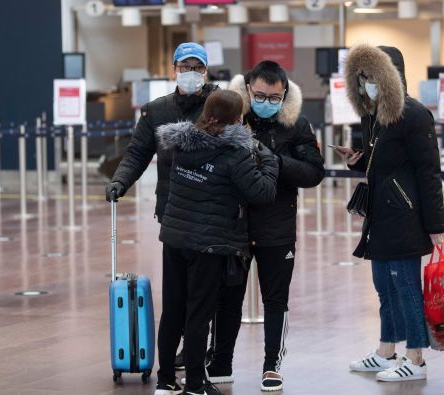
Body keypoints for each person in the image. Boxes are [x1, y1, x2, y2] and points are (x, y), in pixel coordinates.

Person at [205, 61, 325, 392]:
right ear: (247, 90)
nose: (266, 101)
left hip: (277, 226)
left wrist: (273, 160)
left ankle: (272, 364)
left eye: (274, 97)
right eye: (259, 95)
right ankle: (220, 361)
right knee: (228, 297)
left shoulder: (296, 125)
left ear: (284, 95)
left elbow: (314, 172)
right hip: (235, 227)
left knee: (276, 299)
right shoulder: (232, 118)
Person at [104, 42, 217, 381]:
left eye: (198, 68)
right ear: (173, 71)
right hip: (173, 213)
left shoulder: (220, 108)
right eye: (185, 67)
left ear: (206, 72)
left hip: (213, 212)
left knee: (206, 294)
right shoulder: (157, 111)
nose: (191, 74)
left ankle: (199, 354)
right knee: (177, 292)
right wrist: (120, 183)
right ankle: (173, 364)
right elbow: (137, 154)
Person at [154, 90, 279, 395]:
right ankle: (196, 384)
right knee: (199, 314)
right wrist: (270, 161)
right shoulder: (235, 154)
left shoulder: (180, 144)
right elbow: (262, 193)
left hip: (174, 238)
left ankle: (165, 381)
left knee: (172, 310)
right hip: (209, 245)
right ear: (237, 119)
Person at [335, 44, 444, 382]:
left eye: (373, 75)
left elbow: (429, 172)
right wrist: (358, 162)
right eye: (363, 76)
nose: (368, 82)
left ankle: (416, 358)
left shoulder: (413, 114)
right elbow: (379, 164)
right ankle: (387, 350)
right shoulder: (372, 115)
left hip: (406, 216)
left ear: (391, 75)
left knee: (407, 287)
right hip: (380, 213)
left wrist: (435, 226)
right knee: (384, 285)